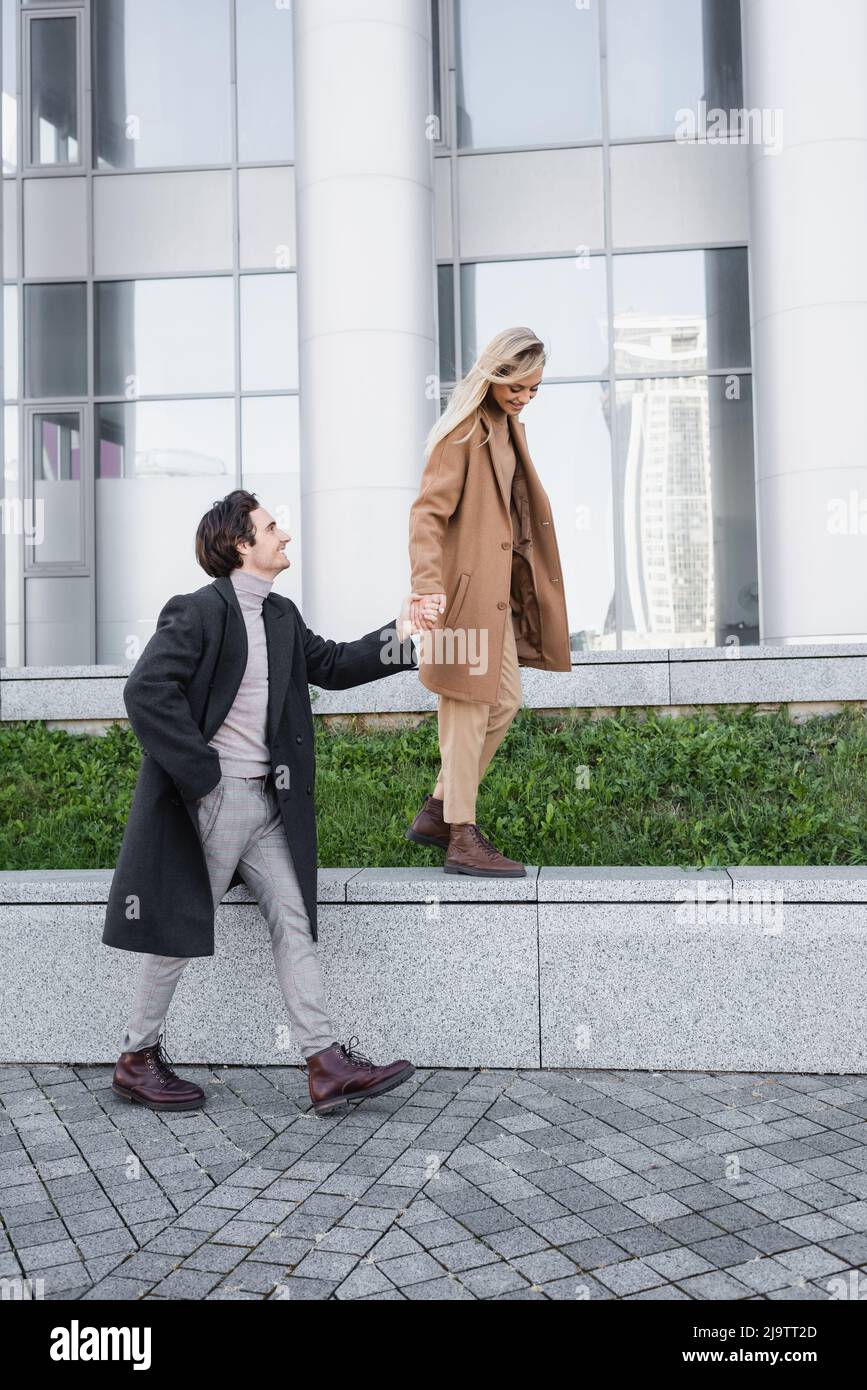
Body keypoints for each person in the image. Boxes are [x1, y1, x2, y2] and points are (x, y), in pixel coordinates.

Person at [102, 489, 438, 1116]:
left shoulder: (279, 616)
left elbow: (335, 664)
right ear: (240, 543)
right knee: (177, 927)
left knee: (294, 922)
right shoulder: (199, 611)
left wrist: (405, 631)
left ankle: (323, 1064)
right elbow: (146, 690)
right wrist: (202, 774)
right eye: (271, 526)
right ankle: (135, 1058)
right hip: (216, 799)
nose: (284, 535)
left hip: (269, 808)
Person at [405, 327, 572, 876]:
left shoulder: (507, 429)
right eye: (517, 388)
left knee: (502, 703)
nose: (524, 399)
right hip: (461, 601)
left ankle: (438, 810)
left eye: (534, 390)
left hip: (495, 604)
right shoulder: (464, 433)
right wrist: (427, 587)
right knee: (465, 711)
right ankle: (461, 834)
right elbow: (427, 514)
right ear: (494, 375)